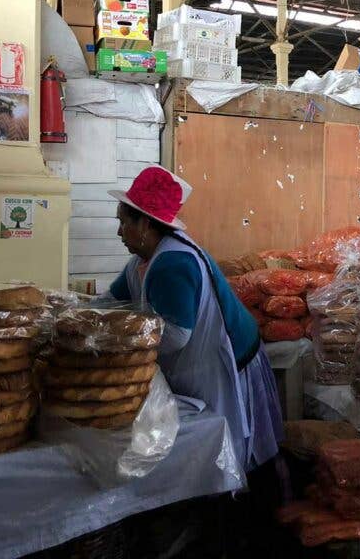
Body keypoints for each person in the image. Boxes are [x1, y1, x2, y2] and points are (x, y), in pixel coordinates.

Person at [103, 165, 283, 473]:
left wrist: (119, 342)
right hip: (203, 360)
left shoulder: (172, 263)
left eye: (123, 222)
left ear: (144, 224)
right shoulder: (141, 262)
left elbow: (176, 336)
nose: (118, 231)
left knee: (232, 452)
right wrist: (76, 315)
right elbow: (111, 301)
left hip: (229, 359)